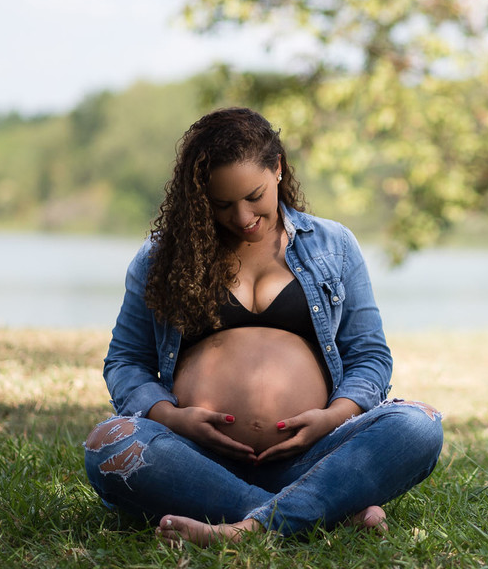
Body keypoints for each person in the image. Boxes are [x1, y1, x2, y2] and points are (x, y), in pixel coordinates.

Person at [83, 107, 443, 544]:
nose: (242, 217)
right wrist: (173, 419)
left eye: (254, 196)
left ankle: (247, 528)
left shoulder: (334, 245)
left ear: (277, 169)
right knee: (109, 444)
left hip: (314, 453)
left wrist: (331, 418)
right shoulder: (162, 258)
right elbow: (126, 362)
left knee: (419, 425)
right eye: (222, 204)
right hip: (197, 456)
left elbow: (369, 356)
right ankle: (319, 511)